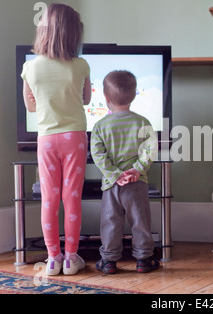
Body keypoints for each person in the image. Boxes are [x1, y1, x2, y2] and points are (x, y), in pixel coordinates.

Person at [21, 3, 91, 276]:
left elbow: (31, 107)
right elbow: (85, 99)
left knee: (49, 198)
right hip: (75, 137)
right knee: (72, 197)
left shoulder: (30, 68)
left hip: (47, 139)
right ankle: (72, 257)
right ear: (74, 34)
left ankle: (53, 258)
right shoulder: (81, 65)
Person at [91, 70, 159, 274]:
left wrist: (114, 174)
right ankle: (143, 260)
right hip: (137, 183)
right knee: (140, 221)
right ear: (134, 94)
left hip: (112, 185)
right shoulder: (142, 122)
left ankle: (109, 262)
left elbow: (97, 153)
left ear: (105, 97)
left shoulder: (99, 126)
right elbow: (150, 149)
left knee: (111, 222)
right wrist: (137, 170)